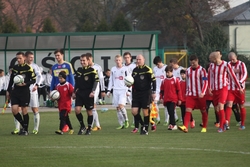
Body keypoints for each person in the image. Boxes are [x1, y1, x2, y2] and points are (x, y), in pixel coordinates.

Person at [208, 51, 243, 132]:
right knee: (217, 109)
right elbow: (209, 77)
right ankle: (225, 123)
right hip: (215, 89)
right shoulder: (211, 66)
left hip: (223, 88)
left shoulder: (226, 64)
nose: (210, 60)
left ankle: (222, 127)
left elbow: (233, 76)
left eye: (211, 59)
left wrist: (239, 87)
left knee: (221, 106)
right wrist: (209, 87)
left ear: (215, 58)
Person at [11, 51, 43, 135]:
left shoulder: (34, 67)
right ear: (26, 57)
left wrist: (37, 85)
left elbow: (37, 78)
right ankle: (18, 128)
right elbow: (11, 80)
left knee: (33, 109)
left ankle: (35, 129)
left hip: (31, 90)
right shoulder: (16, 67)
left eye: (32, 57)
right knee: (16, 109)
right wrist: (9, 89)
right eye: (30, 57)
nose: (31, 59)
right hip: (19, 91)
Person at [6, 51, 36, 135]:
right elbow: (11, 80)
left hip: (24, 91)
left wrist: (26, 84)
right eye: (17, 58)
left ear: (24, 58)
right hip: (15, 91)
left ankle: (25, 130)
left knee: (24, 110)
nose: (18, 60)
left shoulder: (28, 68)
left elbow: (33, 80)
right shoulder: (15, 68)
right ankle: (24, 126)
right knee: (14, 110)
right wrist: (8, 91)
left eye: (20, 58)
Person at [178, 55, 208, 133]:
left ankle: (204, 127)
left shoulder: (202, 70)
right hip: (191, 95)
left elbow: (205, 82)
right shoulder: (188, 70)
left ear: (197, 61)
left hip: (200, 95)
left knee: (203, 111)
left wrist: (203, 92)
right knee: (188, 110)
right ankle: (185, 127)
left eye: (193, 63)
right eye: (191, 63)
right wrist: (187, 91)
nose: (192, 64)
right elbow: (187, 81)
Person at [73, 54, 99, 135]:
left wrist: (93, 91)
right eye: (81, 60)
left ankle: (89, 128)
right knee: (77, 110)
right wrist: (74, 92)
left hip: (88, 93)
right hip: (80, 93)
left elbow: (96, 81)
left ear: (88, 61)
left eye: (84, 60)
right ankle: (82, 126)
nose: (82, 62)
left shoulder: (92, 70)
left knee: (89, 111)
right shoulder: (79, 70)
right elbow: (76, 82)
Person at [131, 54, 156, 135]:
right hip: (136, 93)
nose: (138, 61)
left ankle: (145, 128)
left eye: (139, 59)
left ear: (143, 59)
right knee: (134, 112)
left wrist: (154, 92)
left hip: (145, 93)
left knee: (145, 111)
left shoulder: (148, 69)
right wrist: (129, 84)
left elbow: (153, 81)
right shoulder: (134, 70)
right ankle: (143, 124)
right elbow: (132, 81)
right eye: (137, 59)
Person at [225, 52, 247, 130]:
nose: (232, 61)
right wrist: (227, 83)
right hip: (231, 89)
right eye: (231, 60)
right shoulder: (228, 65)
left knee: (241, 105)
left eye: (233, 59)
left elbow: (245, 74)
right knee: (229, 104)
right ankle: (227, 123)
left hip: (240, 89)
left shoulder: (241, 64)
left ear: (236, 57)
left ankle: (242, 124)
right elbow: (225, 75)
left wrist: (240, 82)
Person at [107, 55, 130, 129]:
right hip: (115, 90)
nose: (118, 62)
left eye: (119, 60)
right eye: (116, 60)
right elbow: (111, 80)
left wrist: (128, 90)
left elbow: (129, 80)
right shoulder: (113, 69)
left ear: (122, 60)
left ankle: (126, 120)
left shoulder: (125, 69)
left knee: (121, 106)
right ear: (115, 61)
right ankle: (121, 124)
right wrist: (108, 90)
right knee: (117, 108)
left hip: (123, 90)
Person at [85, 53, 105, 131]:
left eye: (88, 59)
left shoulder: (97, 67)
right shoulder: (85, 68)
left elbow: (101, 79)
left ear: (91, 58)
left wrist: (103, 90)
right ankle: (95, 125)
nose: (88, 61)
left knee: (92, 105)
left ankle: (96, 125)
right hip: (88, 88)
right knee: (90, 107)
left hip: (95, 88)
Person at [160, 66, 182, 130]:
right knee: (169, 111)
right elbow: (162, 90)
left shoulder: (175, 80)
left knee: (171, 110)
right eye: (166, 72)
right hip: (167, 99)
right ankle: (171, 124)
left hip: (173, 99)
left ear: (172, 72)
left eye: (169, 72)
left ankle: (173, 124)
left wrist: (180, 99)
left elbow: (178, 90)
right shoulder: (164, 81)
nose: (167, 74)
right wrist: (161, 98)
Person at [153, 56, 168, 126]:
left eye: (157, 64)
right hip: (156, 89)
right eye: (156, 65)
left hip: (164, 89)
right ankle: (157, 119)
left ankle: (166, 120)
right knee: (155, 103)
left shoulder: (166, 68)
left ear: (160, 62)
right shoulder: (155, 69)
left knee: (165, 105)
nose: (157, 66)